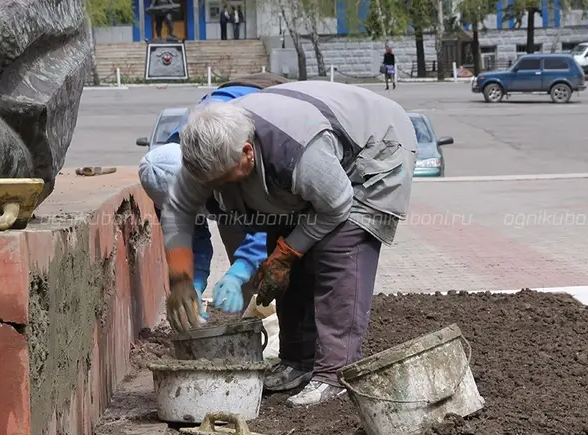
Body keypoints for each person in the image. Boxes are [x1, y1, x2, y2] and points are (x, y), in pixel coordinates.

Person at [160, 80, 417, 407]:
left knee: (339, 250)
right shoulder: (205, 157)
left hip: (375, 147)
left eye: (225, 180)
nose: (218, 190)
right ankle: (297, 361)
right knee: (280, 259)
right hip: (310, 166)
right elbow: (177, 209)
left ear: (247, 152)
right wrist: (180, 279)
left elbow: (337, 204)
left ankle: (335, 374)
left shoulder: (295, 151)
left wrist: (286, 253)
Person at [141, 72, 288, 325]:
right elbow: (191, 239)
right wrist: (192, 282)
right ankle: (256, 319)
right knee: (240, 249)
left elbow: (268, 210)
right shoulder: (162, 181)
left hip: (269, 105)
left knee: (275, 248)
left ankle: (289, 320)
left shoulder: (220, 152)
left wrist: (239, 271)